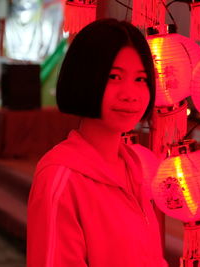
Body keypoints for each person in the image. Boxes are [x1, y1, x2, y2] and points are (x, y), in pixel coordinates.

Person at [27, 19, 166, 266]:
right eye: (114, 76)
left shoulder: (132, 165)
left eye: (140, 79)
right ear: (85, 79)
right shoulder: (61, 177)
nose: (130, 94)